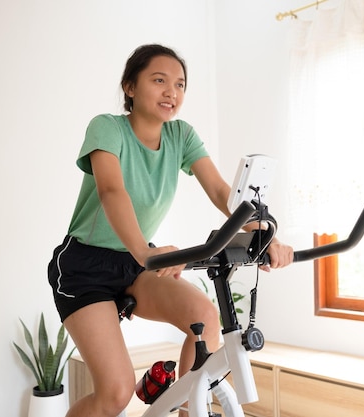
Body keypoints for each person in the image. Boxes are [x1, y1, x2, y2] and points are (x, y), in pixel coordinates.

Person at [47, 44, 294, 417]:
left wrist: (265, 235)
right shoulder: (108, 128)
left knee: (205, 317)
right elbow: (111, 190)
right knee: (115, 394)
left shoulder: (181, 135)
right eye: (159, 80)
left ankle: (182, 410)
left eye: (179, 85)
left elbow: (221, 191)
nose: (171, 93)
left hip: (137, 262)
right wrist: (145, 253)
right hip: (85, 266)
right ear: (130, 87)